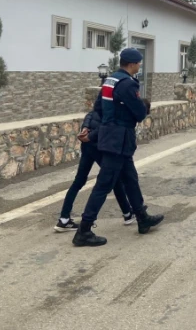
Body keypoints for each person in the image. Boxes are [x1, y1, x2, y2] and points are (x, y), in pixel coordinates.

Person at [72, 48, 164, 247]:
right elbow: (140, 113)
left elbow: (100, 110)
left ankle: (142, 217)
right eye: (139, 63)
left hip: (111, 138)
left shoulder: (109, 81)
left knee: (130, 179)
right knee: (104, 184)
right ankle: (84, 230)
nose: (140, 66)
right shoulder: (127, 84)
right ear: (131, 64)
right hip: (119, 141)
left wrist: (93, 133)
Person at [54, 98, 135, 232]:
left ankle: (63, 219)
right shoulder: (113, 109)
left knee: (78, 181)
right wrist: (91, 134)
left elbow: (90, 115)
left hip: (87, 147)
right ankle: (127, 213)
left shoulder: (100, 105)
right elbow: (106, 127)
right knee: (113, 180)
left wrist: (85, 128)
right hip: (98, 147)